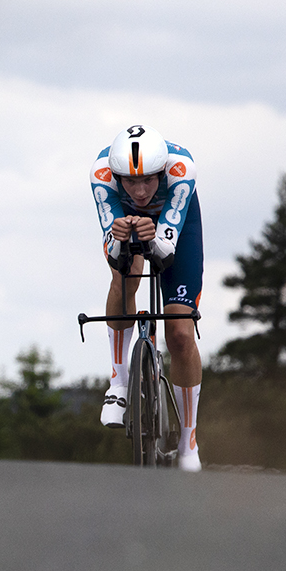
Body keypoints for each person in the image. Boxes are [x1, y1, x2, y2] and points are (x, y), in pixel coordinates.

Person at [90, 125, 203, 471]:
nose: (139, 191)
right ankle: (119, 381)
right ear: (117, 176)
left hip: (175, 228)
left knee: (180, 335)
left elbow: (167, 250)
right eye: (130, 182)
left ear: (161, 172)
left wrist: (153, 236)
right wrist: (119, 240)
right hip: (127, 224)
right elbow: (114, 253)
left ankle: (188, 440)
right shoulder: (101, 174)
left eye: (148, 181)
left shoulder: (181, 169)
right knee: (124, 277)